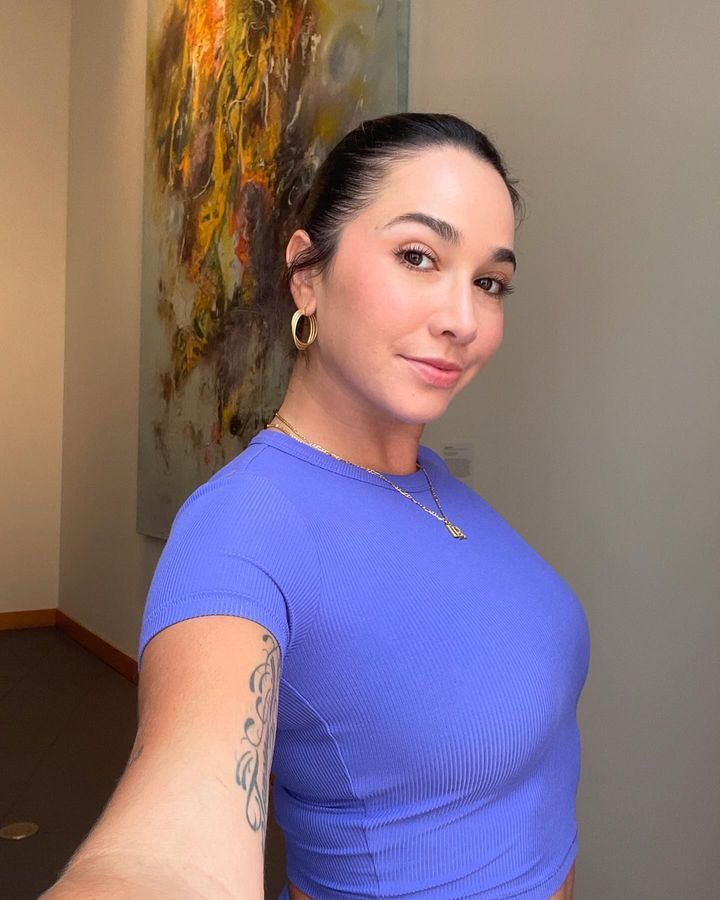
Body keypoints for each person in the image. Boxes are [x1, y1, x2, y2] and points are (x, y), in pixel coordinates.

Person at [45, 113, 590, 899]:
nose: (463, 320)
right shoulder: (240, 527)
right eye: (417, 256)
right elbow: (167, 854)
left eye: (489, 282)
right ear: (307, 273)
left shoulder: (434, 483)